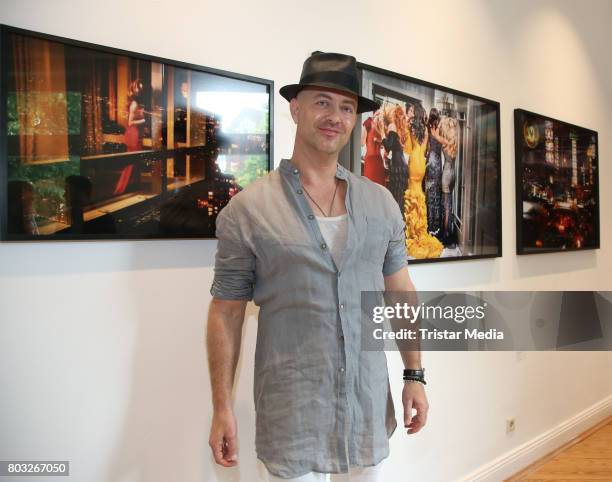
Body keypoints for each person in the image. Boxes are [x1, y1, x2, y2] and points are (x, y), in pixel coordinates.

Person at [206, 52, 428, 482]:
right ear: (296, 108)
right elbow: (226, 311)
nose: (335, 117)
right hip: (293, 416)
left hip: (365, 407)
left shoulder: (380, 204)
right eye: (322, 102)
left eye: (346, 108)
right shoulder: (248, 211)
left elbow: (400, 290)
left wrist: (414, 374)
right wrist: (221, 406)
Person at [403, 104, 443, 259]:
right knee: (419, 193)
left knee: (411, 195)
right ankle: (419, 231)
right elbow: (426, 149)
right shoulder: (425, 130)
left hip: (413, 160)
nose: (410, 113)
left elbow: (407, 149)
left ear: (416, 113)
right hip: (422, 163)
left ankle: (412, 232)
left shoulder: (411, 127)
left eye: (412, 111)